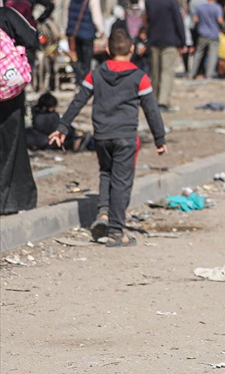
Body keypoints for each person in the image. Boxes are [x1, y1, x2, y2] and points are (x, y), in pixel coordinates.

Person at [50, 30, 167, 246]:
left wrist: (63, 126)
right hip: (126, 137)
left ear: (107, 49)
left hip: (102, 136)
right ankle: (116, 231)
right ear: (132, 49)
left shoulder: (95, 74)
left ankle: (103, 213)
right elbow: (151, 110)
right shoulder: (140, 77)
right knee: (122, 181)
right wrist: (159, 139)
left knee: (106, 172)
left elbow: (79, 100)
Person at [0, 7, 40, 214]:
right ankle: (13, 200)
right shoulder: (6, 15)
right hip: (8, 93)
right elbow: (32, 39)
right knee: (11, 143)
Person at [143, 0, 187, 111]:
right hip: (170, 40)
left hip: (153, 39)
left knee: (155, 72)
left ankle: (154, 99)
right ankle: (163, 101)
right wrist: (182, 41)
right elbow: (178, 21)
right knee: (167, 71)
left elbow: (146, 20)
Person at [66, 0, 106, 88]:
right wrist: (102, 32)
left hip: (75, 32)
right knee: (87, 60)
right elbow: (97, 17)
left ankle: (78, 82)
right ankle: (86, 83)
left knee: (78, 59)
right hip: (87, 32)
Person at [191, 0, 224, 79]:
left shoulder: (201, 7)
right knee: (213, 55)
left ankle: (192, 73)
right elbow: (220, 20)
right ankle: (209, 75)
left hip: (202, 33)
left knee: (198, 54)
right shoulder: (217, 7)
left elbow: (195, 19)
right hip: (214, 34)